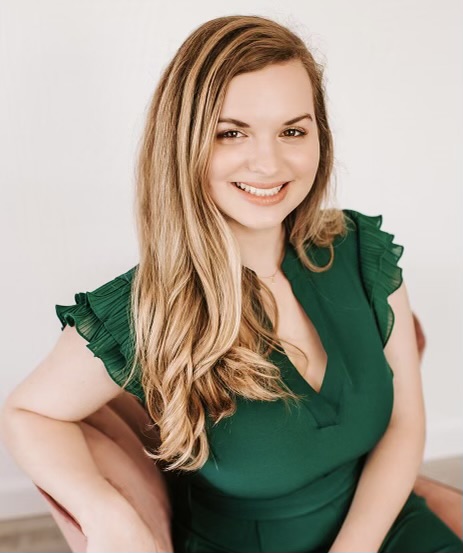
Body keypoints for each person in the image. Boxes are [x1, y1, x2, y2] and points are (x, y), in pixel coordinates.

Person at [1, 14, 462, 553]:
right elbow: (27, 413)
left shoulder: (360, 250)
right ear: (186, 143)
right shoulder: (145, 307)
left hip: (387, 531)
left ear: (320, 138)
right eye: (231, 132)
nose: (268, 163)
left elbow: (404, 426)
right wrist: (106, 515)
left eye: (293, 130)